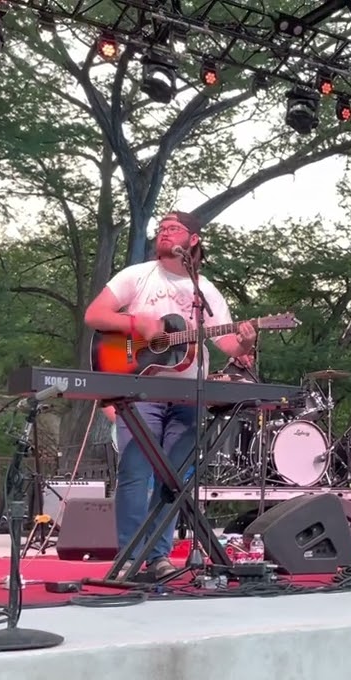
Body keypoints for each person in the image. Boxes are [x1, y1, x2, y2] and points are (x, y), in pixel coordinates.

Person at [84, 211, 257, 579]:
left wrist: (245, 342)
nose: (164, 233)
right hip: (140, 387)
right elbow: (94, 315)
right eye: (161, 228)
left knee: (174, 478)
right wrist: (137, 323)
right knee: (135, 471)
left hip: (189, 393)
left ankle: (158, 557)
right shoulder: (136, 276)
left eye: (173, 228)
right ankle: (130, 557)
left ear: (193, 239)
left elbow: (227, 342)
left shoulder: (204, 290)